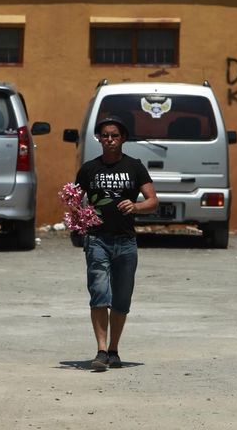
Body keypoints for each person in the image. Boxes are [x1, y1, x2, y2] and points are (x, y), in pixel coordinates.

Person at [75, 115, 158, 371]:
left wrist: (135, 205)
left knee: (122, 299)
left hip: (125, 242)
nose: (109, 140)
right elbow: (75, 201)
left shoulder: (134, 167)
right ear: (98, 139)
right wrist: (79, 216)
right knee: (99, 293)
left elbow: (152, 200)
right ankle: (100, 351)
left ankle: (114, 350)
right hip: (97, 239)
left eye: (114, 135)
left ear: (123, 139)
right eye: (105, 135)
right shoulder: (89, 169)